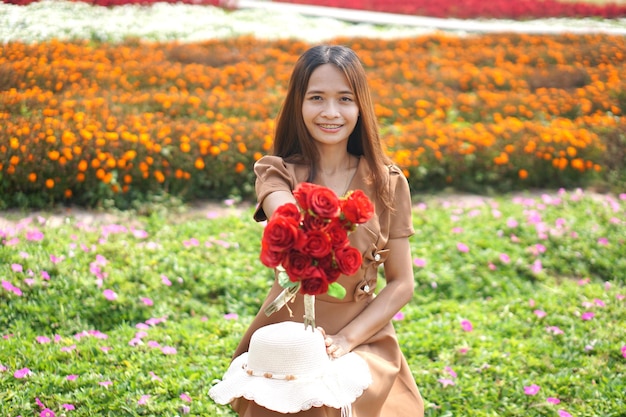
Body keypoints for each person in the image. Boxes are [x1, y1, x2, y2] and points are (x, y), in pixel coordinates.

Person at [230, 44, 424, 416]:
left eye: (345, 99)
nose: (331, 112)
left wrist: (344, 341)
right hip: (288, 335)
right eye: (317, 98)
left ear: (360, 106)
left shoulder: (387, 182)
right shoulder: (277, 172)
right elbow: (283, 213)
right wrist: (303, 221)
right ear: (298, 105)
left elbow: (402, 282)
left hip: (360, 334)